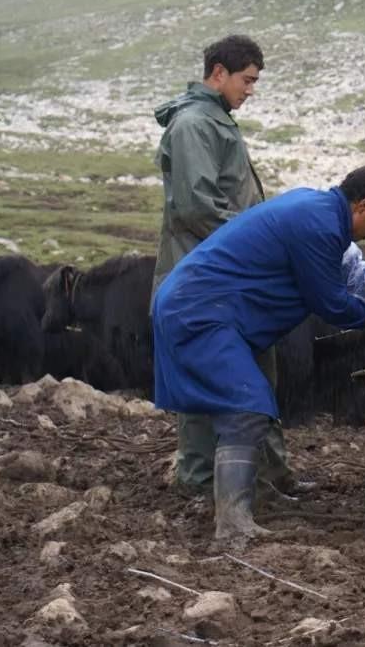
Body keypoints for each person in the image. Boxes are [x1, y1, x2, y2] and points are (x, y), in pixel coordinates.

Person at [152, 165, 365, 539]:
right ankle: (232, 525)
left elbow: (349, 276)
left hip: (211, 308)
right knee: (247, 405)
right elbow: (329, 301)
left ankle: (249, 495)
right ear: (364, 207)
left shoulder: (317, 210)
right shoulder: (319, 226)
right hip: (202, 312)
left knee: (249, 401)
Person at [151, 34, 291, 497]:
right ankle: (202, 482)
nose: (250, 90)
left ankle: (264, 476)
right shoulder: (194, 125)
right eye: (246, 80)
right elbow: (198, 208)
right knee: (208, 377)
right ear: (218, 73)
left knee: (248, 371)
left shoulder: (213, 121)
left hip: (221, 274)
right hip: (204, 278)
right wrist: (260, 241)